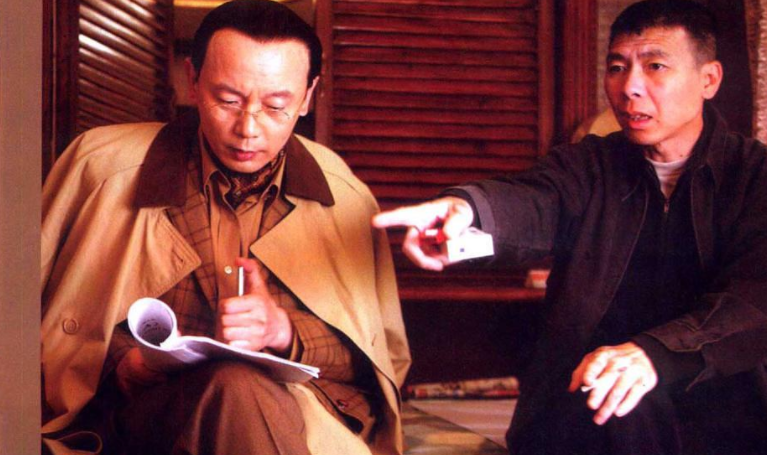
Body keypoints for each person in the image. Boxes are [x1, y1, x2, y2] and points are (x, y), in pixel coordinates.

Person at [374, 1, 767, 454]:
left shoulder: (755, 176)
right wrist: (468, 211)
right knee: (609, 399)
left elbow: (755, 300)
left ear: (709, 79)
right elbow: (533, 200)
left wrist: (656, 354)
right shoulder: (588, 164)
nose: (630, 87)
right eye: (617, 68)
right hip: (589, 412)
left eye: (655, 66)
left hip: (723, 415)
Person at [41, 1, 410, 454]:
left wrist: (284, 333)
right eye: (228, 100)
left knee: (239, 387)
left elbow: (383, 361)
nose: (248, 128)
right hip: (142, 416)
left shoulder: (345, 196)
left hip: (301, 416)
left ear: (308, 96)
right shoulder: (100, 169)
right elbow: (29, 321)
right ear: (192, 80)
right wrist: (122, 363)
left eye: (276, 106)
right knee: (233, 386)